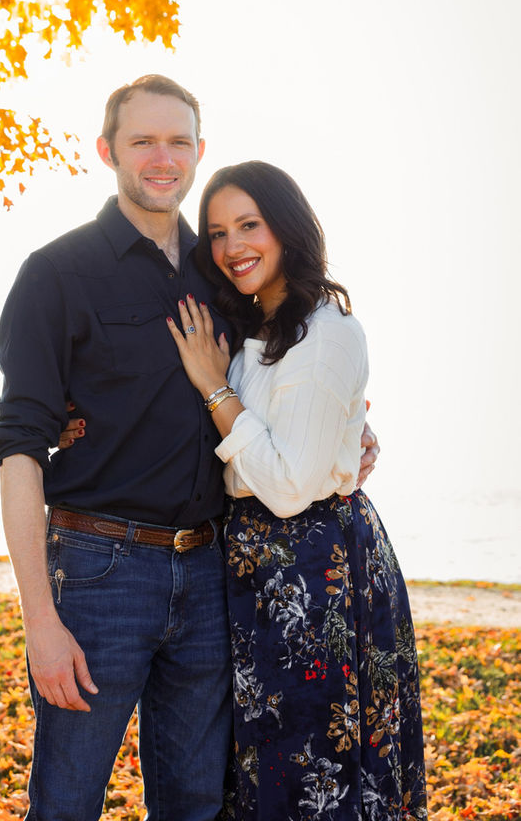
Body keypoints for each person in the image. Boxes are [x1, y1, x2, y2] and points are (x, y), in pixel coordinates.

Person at [0, 76, 380, 821]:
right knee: (68, 799)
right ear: (107, 151)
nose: (161, 158)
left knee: (197, 801)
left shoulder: (222, 270)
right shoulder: (56, 274)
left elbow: (282, 375)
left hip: (211, 572)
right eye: (142, 141)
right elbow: (18, 450)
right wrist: (40, 619)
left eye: (178, 141)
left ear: (200, 151)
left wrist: (349, 429)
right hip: (101, 571)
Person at [166, 161, 427, 820]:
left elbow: (286, 487)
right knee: (263, 764)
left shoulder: (324, 330)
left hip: (314, 575)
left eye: (248, 225)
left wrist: (213, 387)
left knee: (316, 770)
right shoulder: (257, 325)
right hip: (259, 568)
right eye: (217, 232)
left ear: (287, 228)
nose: (232, 248)